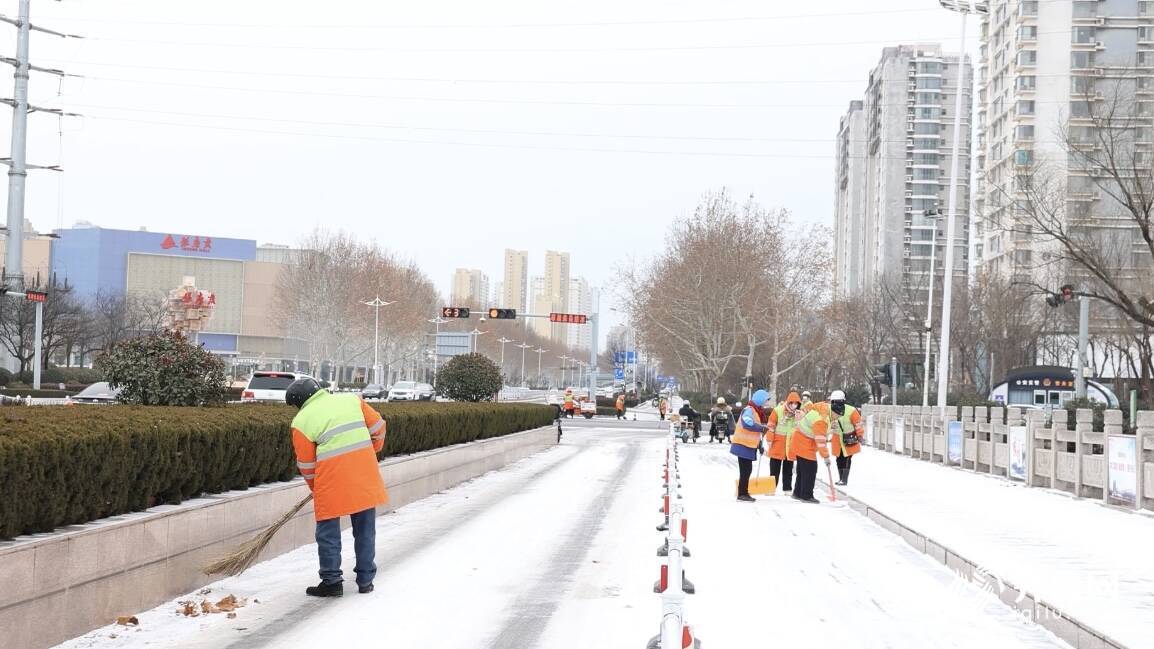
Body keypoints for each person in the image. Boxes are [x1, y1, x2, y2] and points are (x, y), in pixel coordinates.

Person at [287, 378, 388, 597]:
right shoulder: (352, 400)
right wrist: (370, 452)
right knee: (365, 530)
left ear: (299, 401)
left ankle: (332, 581)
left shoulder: (301, 421)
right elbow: (379, 427)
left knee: (328, 533)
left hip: (331, 481)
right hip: (363, 474)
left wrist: (316, 487)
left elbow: (307, 465)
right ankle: (366, 580)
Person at [730, 389, 771, 502]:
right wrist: (761, 428)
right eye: (765, 400)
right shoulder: (749, 410)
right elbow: (747, 424)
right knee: (745, 470)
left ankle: (744, 492)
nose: (766, 403)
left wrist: (759, 446)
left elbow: (755, 434)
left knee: (747, 470)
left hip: (747, 445)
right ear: (760, 399)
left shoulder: (756, 411)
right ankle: (742, 494)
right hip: (742, 445)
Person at [788, 398, 831, 503]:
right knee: (810, 470)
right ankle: (806, 495)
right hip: (804, 444)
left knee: (802, 470)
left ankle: (798, 493)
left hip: (799, 441)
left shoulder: (820, 412)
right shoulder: (822, 419)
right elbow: (820, 440)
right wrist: (826, 457)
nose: (836, 419)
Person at [765, 391, 803, 494]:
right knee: (774, 468)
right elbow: (771, 425)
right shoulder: (778, 410)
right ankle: (771, 489)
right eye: (792, 403)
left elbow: (801, 428)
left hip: (790, 445)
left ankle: (787, 488)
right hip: (777, 443)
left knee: (788, 468)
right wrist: (769, 439)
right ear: (788, 402)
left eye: (796, 403)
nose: (794, 405)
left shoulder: (799, 414)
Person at [828, 390, 864, 485]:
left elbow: (858, 424)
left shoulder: (851, 410)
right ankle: (841, 478)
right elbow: (828, 423)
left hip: (849, 437)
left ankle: (844, 479)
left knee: (847, 458)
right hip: (837, 438)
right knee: (839, 458)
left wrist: (860, 435)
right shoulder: (830, 411)